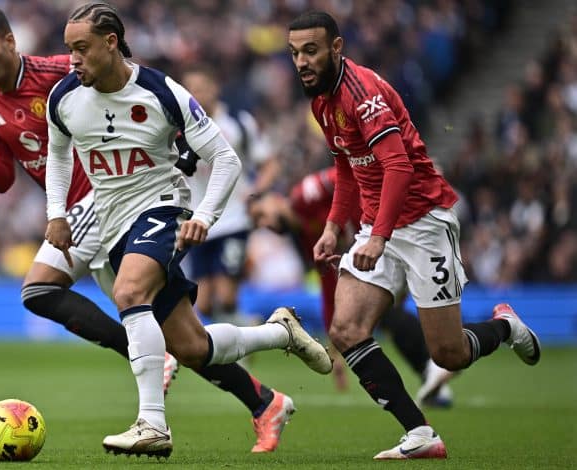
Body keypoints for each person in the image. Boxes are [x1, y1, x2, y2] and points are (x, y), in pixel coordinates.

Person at [0, 2, 308, 455]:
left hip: (104, 201)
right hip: (79, 213)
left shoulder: (63, 71)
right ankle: (264, 399)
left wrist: (180, 148)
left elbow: (136, 91)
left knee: (42, 291)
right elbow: (3, 177)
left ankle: (152, 406)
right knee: (183, 339)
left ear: (9, 41)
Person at [45, 2, 332, 458]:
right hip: (111, 221)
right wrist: (56, 212)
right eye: (68, 49)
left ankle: (152, 425)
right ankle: (282, 333)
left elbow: (227, 159)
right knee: (192, 346)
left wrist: (204, 217)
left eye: (81, 48)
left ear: (111, 43)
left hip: (161, 209)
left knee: (128, 293)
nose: (72, 59)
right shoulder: (64, 99)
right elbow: (58, 156)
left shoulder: (162, 92)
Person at [289, 11, 541, 459]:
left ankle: (505, 327)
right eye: (294, 53)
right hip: (376, 226)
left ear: (337, 47)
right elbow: (346, 167)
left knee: (449, 354)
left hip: (423, 222)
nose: (302, 62)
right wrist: (332, 227)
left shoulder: (362, 96)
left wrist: (379, 238)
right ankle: (420, 433)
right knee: (346, 329)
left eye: (310, 50)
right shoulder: (321, 102)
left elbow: (399, 167)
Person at [248, 168, 455, 406]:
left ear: (275, 199)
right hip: (375, 244)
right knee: (386, 313)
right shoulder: (306, 237)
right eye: (258, 223)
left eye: (261, 214)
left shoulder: (304, 194)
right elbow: (328, 290)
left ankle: (446, 358)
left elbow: (345, 176)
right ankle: (434, 374)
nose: (264, 224)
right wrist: (333, 346)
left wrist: (367, 216)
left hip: (387, 228)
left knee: (392, 310)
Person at [179, 66, 277, 327]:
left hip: (234, 220)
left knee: (225, 294)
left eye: (201, 88)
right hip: (199, 223)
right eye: (191, 90)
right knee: (205, 304)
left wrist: (255, 194)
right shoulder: (181, 128)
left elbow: (269, 163)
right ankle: (249, 328)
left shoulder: (238, 122)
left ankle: (240, 348)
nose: (196, 95)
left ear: (215, 88)